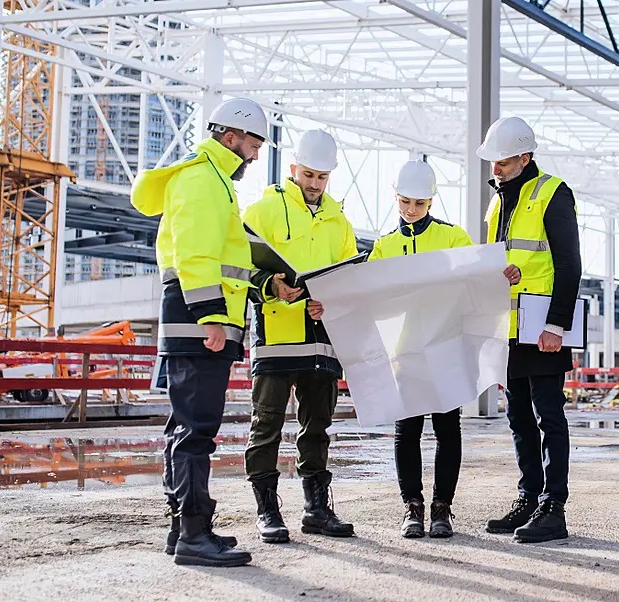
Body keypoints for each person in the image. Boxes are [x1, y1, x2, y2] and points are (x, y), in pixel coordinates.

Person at [131, 97, 270, 567]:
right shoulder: (201, 178)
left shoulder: (212, 181)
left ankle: (184, 529)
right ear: (230, 136)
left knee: (186, 428)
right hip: (198, 321)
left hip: (199, 319)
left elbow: (230, 259)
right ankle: (193, 536)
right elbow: (194, 255)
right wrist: (211, 317)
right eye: (253, 144)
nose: (254, 155)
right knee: (196, 431)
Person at [242, 129, 359, 544]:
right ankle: (267, 509)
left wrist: (332, 301)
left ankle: (316, 508)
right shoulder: (263, 211)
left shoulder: (340, 223)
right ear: (293, 169)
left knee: (317, 426)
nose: (314, 183)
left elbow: (348, 279)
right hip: (276, 334)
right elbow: (238, 266)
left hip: (322, 338)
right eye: (308, 174)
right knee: (267, 423)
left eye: (322, 177)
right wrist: (270, 285)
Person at [477, 117, 582, 544]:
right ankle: (529, 495)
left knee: (548, 416)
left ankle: (553, 507)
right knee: (519, 419)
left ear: (524, 157)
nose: (495, 169)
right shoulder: (497, 203)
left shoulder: (553, 193)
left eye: (502, 161)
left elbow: (569, 264)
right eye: (493, 162)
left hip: (542, 327)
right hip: (510, 327)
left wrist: (557, 325)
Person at [368, 160, 474, 539]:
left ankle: (442, 509)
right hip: (406, 351)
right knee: (407, 430)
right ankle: (412, 507)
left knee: (448, 429)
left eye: (419, 203)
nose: (411, 210)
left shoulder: (453, 238)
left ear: (431, 201)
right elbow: (372, 298)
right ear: (396, 197)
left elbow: (475, 282)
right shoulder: (384, 246)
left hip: (446, 348)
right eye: (405, 201)